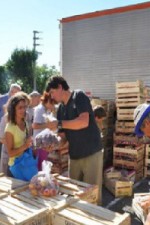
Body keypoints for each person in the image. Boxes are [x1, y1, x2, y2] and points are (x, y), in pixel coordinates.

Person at [45, 76, 103, 205]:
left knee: (92, 195)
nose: (52, 97)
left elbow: (83, 122)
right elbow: (63, 137)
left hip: (91, 153)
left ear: (60, 87)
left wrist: (59, 123)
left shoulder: (79, 96)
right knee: (75, 194)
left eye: (53, 92)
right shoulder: (61, 109)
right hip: (75, 155)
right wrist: (55, 144)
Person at [0, 83, 21, 174]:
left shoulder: (18, 101)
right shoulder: (1, 99)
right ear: (11, 91)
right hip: (1, 130)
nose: (15, 94)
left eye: (17, 92)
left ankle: (8, 172)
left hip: (13, 132)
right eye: (14, 92)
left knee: (9, 153)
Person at [4, 94, 33, 177]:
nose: (23, 110)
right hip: (14, 168)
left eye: (25, 107)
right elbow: (10, 153)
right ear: (13, 110)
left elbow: (28, 145)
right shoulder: (10, 128)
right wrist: (25, 146)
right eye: (20, 108)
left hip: (25, 165)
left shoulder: (25, 123)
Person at [32, 91, 56, 170]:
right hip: (39, 143)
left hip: (45, 142)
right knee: (40, 165)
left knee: (44, 165)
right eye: (53, 103)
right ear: (48, 101)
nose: (53, 106)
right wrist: (48, 125)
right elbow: (34, 125)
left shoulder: (46, 109)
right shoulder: (40, 109)